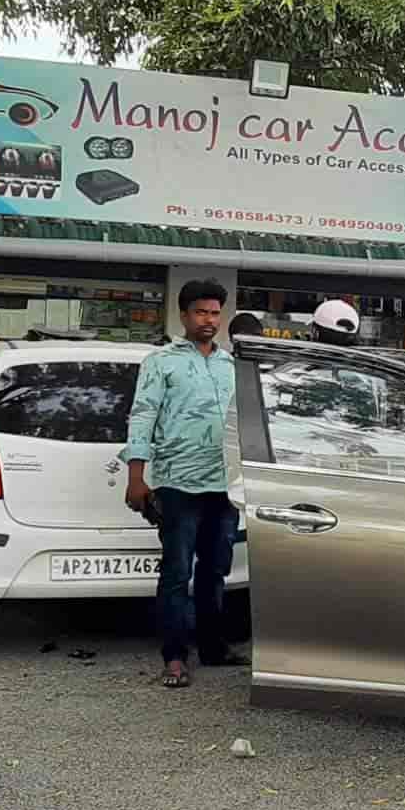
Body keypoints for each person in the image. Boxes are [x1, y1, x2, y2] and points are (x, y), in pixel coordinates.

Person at [123, 280, 240, 688]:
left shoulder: (231, 365)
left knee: (215, 570)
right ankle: (174, 656)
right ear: (184, 316)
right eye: (200, 313)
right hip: (177, 482)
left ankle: (213, 646)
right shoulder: (160, 362)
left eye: (214, 313)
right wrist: (136, 476)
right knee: (176, 571)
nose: (209, 320)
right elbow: (142, 415)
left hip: (224, 484)